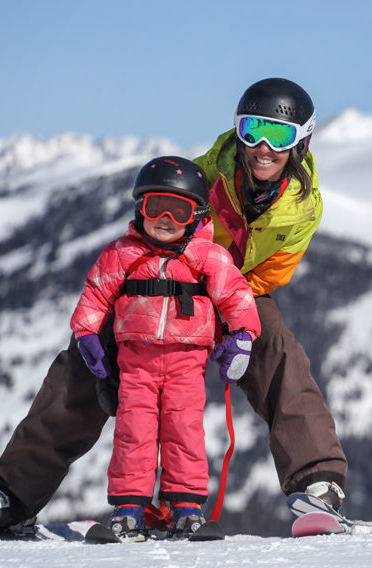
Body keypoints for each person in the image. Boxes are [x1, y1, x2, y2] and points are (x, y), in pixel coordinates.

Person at [0, 78, 347, 538]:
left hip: (235, 292)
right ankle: (11, 494)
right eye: (252, 129)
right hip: (163, 283)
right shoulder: (200, 176)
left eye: (278, 135)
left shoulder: (304, 208)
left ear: (302, 141)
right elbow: (149, 234)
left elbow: (272, 274)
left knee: (277, 351)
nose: (261, 147)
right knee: (84, 364)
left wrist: (227, 313)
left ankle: (318, 485)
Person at [70, 155, 261, 541]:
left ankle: (186, 508)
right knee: (133, 432)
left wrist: (242, 337)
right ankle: (129, 509)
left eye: (179, 211)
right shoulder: (122, 253)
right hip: (135, 363)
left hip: (186, 364)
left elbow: (237, 297)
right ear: (140, 208)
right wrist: (86, 333)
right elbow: (96, 293)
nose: (166, 221)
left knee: (184, 430)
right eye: (156, 208)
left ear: (196, 215)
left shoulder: (208, 256)